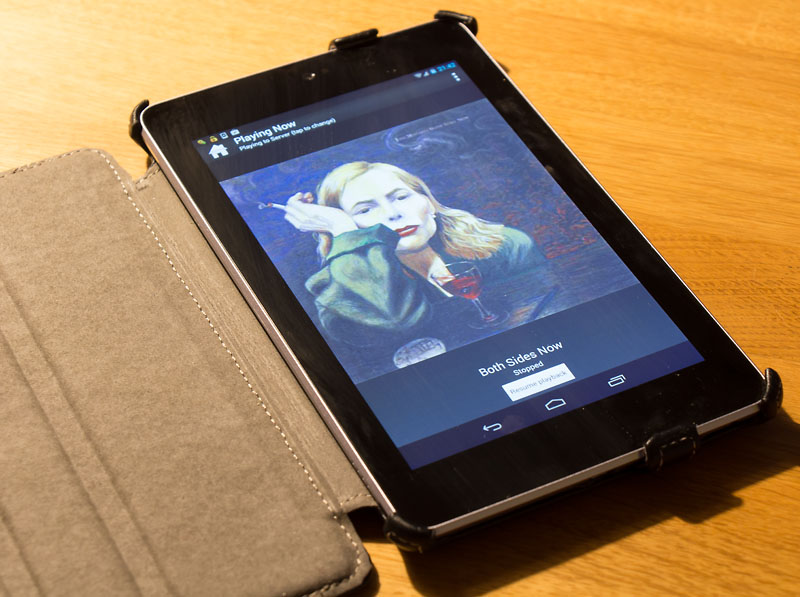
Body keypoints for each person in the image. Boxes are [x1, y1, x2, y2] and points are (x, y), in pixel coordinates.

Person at [270, 161, 545, 344]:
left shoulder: (506, 245)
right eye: (365, 210)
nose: (393, 214)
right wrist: (342, 229)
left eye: (401, 197)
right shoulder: (339, 296)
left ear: (429, 202)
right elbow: (395, 321)